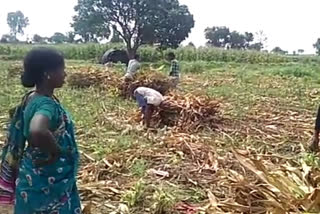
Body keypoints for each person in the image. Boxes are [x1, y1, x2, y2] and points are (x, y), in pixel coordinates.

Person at [0, 48, 81, 213]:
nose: (65, 74)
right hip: (49, 178)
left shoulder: (31, 97)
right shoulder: (46, 104)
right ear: (47, 74)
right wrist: (56, 152)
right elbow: (37, 130)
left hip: (31, 173)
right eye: (62, 69)